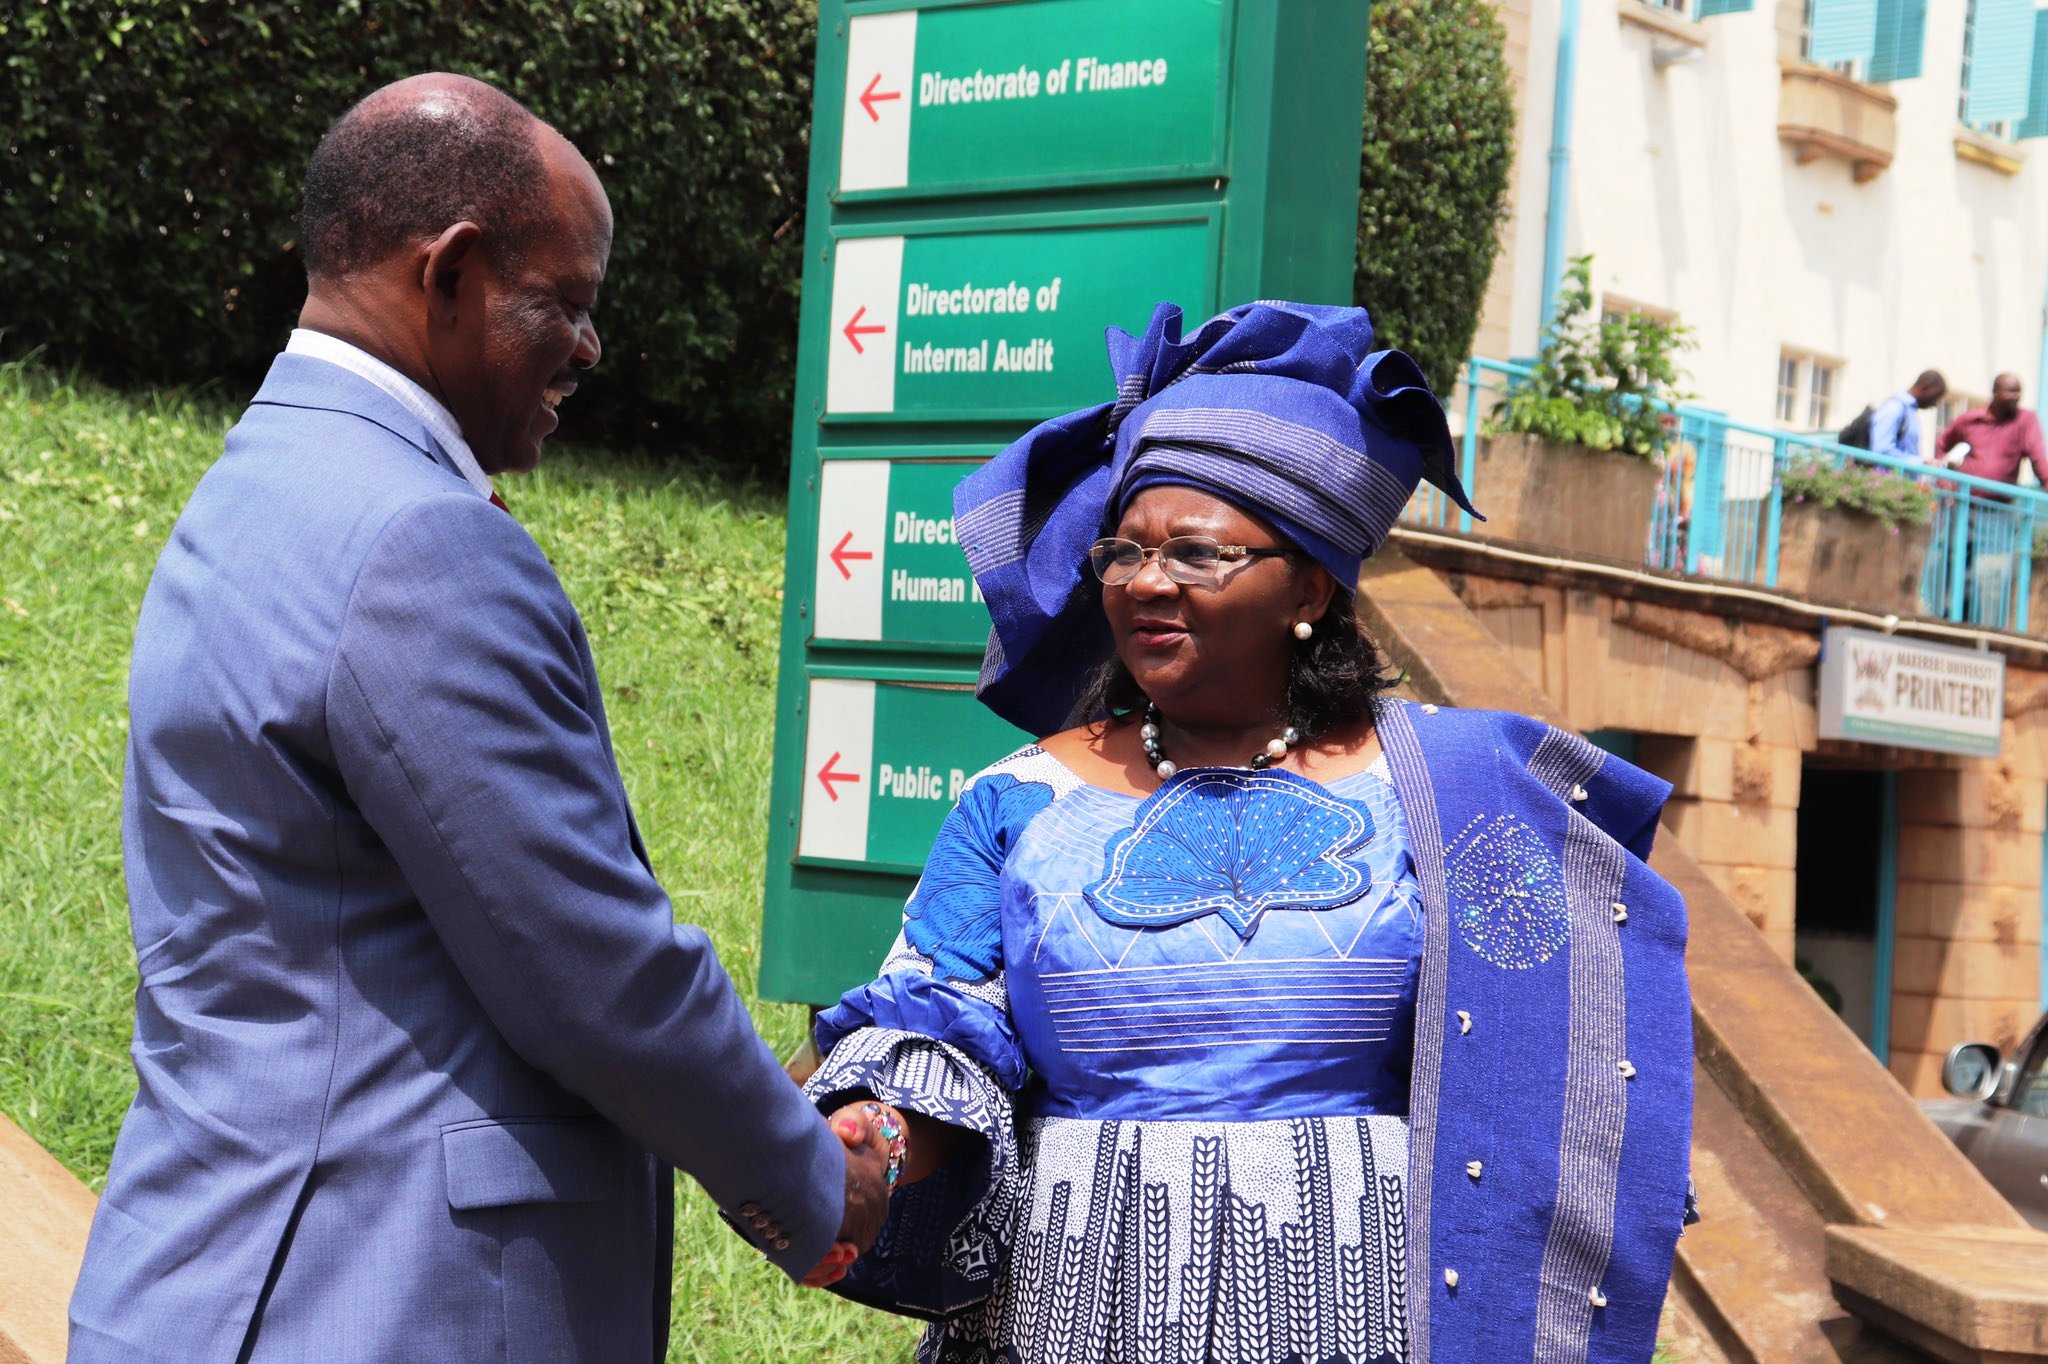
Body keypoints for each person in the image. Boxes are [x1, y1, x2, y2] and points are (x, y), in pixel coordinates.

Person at [67, 74, 886, 1362]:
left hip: (212, 1273)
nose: (588, 346)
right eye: (560, 301)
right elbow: (594, 969)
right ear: (445, 276)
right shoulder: (419, 544)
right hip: (376, 1299)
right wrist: (819, 1183)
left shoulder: (261, 480)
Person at [801, 302, 1696, 1363]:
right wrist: (876, 1136)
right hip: (1071, 1319)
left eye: (1195, 552)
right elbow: (939, 1025)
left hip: (1358, 1322)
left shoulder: (1455, 794)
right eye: (1123, 550)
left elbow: (1553, 1061)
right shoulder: (1019, 797)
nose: (1144, 581)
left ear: (1309, 584)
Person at [1934, 373, 2048, 486]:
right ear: (1995, 392)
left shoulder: (2025, 421)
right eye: (2011, 391)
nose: (2016, 396)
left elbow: (2039, 460)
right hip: (1963, 497)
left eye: (2018, 392)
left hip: (1998, 502)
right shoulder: (1970, 419)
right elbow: (1942, 443)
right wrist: (1943, 480)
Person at [1867, 369, 1947, 459]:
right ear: (1925, 388)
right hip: (1888, 472)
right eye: (1935, 397)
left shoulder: (1910, 411)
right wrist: (1921, 463)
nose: (1934, 404)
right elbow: (1881, 451)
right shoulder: (1895, 407)